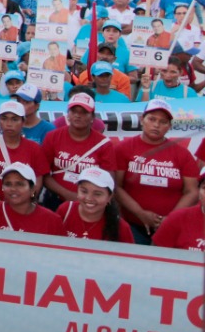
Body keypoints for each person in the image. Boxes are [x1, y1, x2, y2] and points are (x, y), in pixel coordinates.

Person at [113, 99, 200, 245]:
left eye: (163, 121)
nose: (156, 125)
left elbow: (191, 191)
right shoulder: (123, 148)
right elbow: (116, 186)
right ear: (142, 120)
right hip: (132, 225)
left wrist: (171, 219)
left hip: (171, 228)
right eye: (152, 119)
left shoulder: (182, 154)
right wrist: (140, 213)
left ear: (169, 126)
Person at [40, 92, 115, 210]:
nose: (78, 115)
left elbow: (108, 180)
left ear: (92, 117)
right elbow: (43, 174)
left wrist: (88, 197)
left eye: (84, 112)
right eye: (74, 111)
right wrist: (66, 194)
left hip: (90, 205)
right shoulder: (52, 137)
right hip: (55, 200)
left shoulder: (104, 144)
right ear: (68, 114)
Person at [0, 100, 47, 205]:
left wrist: (30, 200)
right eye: (4, 119)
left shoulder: (34, 148)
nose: (9, 124)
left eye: (14, 119)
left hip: (24, 208)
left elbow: (38, 181)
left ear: (23, 122)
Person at [0, 163, 63, 236]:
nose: (13, 189)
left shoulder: (52, 220)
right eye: (8, 184)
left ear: (32, 189)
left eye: (20, 184)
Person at [56, 167, 134, 243]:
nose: (89, 198)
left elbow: (129, 254)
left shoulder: (121, 227)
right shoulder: (66, 210)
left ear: (109, 197)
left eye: (97, 194)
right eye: (84, 191)